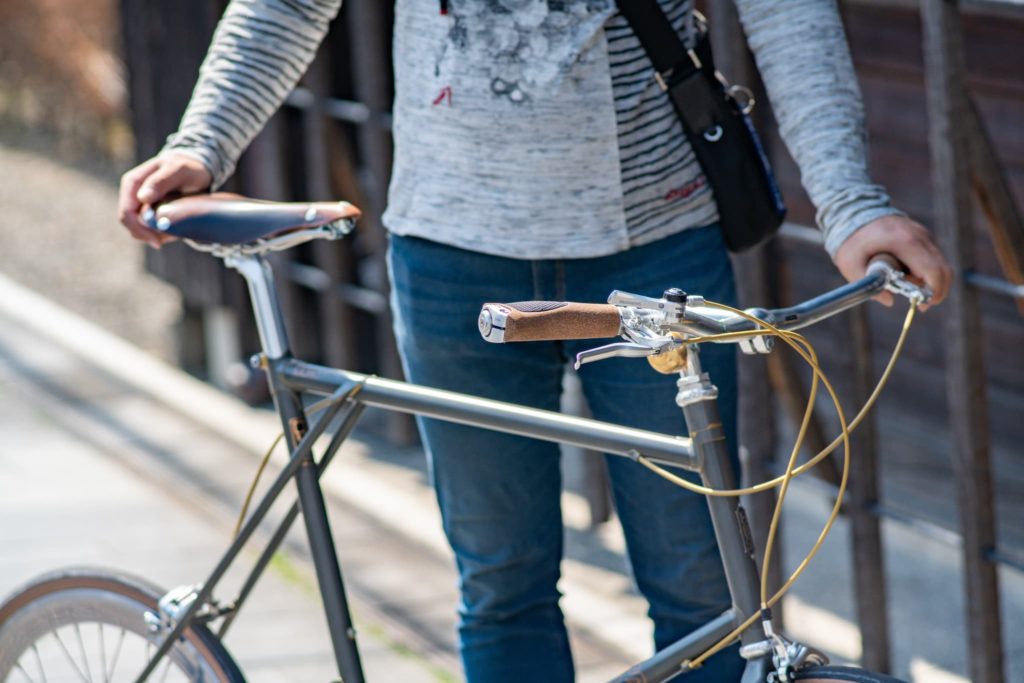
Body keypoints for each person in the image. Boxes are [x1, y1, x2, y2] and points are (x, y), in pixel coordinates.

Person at [118, 1, 951, 680]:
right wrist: (203, 140)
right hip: (452, 256)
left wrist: (850, 204)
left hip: (656, 250)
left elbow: (786, 11)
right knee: (501, 585)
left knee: (706, 595)